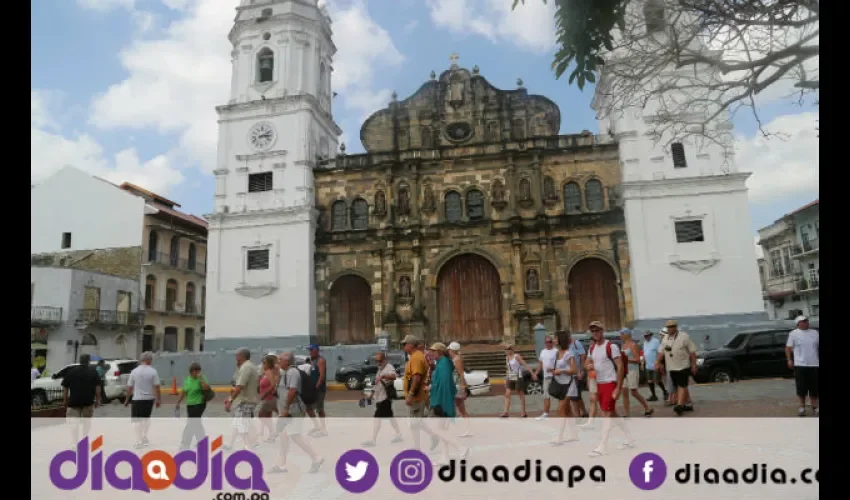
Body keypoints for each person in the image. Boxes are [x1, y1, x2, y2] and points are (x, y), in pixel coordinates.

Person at [269, 351, 324, 474]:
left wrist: (286, 409)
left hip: (293, 410)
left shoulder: (293, 372)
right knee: (283, 436)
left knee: (295, 436)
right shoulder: (285, 373)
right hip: (287, 410)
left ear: (287, 361)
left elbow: (293, 391)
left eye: (280, 360)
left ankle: (316, 458)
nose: (278, 362)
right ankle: (281, 465)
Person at [586, 321, 634, 457]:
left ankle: (602, 446)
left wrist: (618, 387)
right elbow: (587, 362)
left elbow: (620, 366)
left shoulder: (611, 346)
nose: (595, 333)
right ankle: (629, 438)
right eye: (593, 331)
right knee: (612, 413)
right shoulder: (592, 348)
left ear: (602, 331)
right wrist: (588, 366)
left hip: (610, 383)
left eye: (597, 330)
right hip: (600, 383)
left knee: (606, 415)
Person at [427, 342, 469, 465]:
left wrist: (439, 400)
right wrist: (431, 386)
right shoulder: (441, 363)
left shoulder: (444, 363)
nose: (431, 353)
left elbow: (445, 384)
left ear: (439, 352)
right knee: (442, 429)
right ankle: (444, 457)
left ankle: (461, 448)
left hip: (441, 400)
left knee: (436, 428)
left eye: (433, 351)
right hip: (441, 399)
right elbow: (440, 382)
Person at [361, 351, 404, 446]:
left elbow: (394, 376)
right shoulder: (380, 369)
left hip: (385, 398)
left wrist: (384, 376)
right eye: (376, 361)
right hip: (379, 398)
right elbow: (377, 384)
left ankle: (373, 440)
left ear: (385, 360)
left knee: (377, 418)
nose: (378, 363)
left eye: (380, 361)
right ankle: (399, 435)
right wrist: (370, 396)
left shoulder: (389, 367)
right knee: (390, 417)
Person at [657, 320, 697, 416]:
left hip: (683, 366)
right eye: (668, 327)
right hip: (671, 367)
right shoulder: (665, 338)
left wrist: (694, 365)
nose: (669, 329)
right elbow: (661, 352)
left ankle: (679, 405)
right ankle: (687, 403)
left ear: (675, 327)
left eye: (671, 327)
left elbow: (692, 352)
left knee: (682, 385)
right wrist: (657, 362)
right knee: (678, 387)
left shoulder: (684, 337)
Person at [62, 353, 101, 445]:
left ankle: (75, 441)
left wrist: (64, 400)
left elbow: (65, 387)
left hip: (73, 402)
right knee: (86, 423)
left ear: (80, 360)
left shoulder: (71, 372)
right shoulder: (93, 372)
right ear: (88, 361)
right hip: (88, 402)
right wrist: (98, 399)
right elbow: (98, 387)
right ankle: (84, 440)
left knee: (73, 424)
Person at [124, 351, 161, 449]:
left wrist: (127, 399)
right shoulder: (153, 371)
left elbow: (130, 387)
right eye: (151, 359)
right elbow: (157, 387)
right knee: (146, 419)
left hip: (137, 399)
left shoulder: (134, 371)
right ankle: (144, 436)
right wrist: (158, 399)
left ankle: (139, 440)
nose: (152, 361)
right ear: (148, 360)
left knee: (137, 421)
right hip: (149, 399)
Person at [225, 348, 260, 449]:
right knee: (237, 425)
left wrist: (230, 401)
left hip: (245, 402)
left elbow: (240, 386)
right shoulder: (249, 366)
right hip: (246, 400)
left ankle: (250, 449)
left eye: (237, 355)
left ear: (242, 356)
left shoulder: (246, 367)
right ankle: (231, 444)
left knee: (242, 428)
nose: (236, 358)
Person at [550, 330, 580, 446]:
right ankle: (574, 434)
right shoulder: (557, 353)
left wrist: (561, 370)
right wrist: (553, 371)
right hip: (560, 384)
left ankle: (560, 436)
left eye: (555, 338)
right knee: (567, 410)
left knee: (561, 409)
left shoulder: (569, 353)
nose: (554, 340)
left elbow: (574, 370)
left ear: (560, 339)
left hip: (569, 385)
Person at [786, 315, 819, 416]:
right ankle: (802, 407)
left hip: (814, 364)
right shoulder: (793, 334)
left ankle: (815, 407)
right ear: (798, 323)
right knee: (801, 387)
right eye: (804, 321)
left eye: (807, 321)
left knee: (815, 387)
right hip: (800, 365)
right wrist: (789, 360)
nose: (806, 322)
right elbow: (788, 348)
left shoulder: (815, 333)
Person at [175, 362, 211, 450]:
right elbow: (183, 392)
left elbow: (206, 388)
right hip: (190, 405)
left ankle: (185, 443)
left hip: (199, 404)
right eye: (197, 370)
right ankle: (202, 442)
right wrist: (178, 402)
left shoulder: (201, 379)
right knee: (196, 423)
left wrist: (201, 379)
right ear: (192, 371)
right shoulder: (187, 380)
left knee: (191, 424)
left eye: (199, 370)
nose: (198, 372)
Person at [619, 329, 653, 417]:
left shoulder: (633, 345)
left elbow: (638, 359)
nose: (620, 335)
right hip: (624, 371)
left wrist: (627, 360)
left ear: (627, 335)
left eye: (622, 334)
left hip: (632, 370)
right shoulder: (623, 345)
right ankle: (627, 413)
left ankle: (647, 407)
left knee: (634, 392)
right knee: (624, 392)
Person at [501, 344, 535, 418]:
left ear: (512, 349)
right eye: (506, 349)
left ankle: (523, 412)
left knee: (520, 394)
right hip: (510, 376)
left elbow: (525, 365)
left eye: (509, 349)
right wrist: (506, 378)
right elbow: (507, 369)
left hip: (518, 376)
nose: (508, 350)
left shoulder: (517, 356)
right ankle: (506, 412)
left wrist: (532, 373)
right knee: (507, 393)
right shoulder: (507, 358)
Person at [447, 341, 473, 437]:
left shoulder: (457, 359)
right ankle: (464, 428)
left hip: (457, 386)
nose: (448, 351)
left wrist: (464, 387)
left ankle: (466, 429)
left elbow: (461, 374)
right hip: (455, 385)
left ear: (452, 350)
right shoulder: (454, 358)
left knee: (459, 408)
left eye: (449, 349)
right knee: (458, 408)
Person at [305, 344, 328, 437]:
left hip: (319, 389)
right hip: (311, 388)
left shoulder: (321, 360)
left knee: (319, 409)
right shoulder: (311, 360)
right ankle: (316, 426)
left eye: (311, 350)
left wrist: (316, 388)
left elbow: (321, 376)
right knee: (308, 408)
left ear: (317, 351)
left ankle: (323, 429)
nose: (310, 352)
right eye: (309, 350)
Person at [534, 335, 558, 420]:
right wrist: (536, 373)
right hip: (546, 377)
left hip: (555, 377)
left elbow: (560, 364)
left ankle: (564, 412)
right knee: (546, 395)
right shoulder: (542, 352)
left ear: (553, 342)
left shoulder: (556, 351)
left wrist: (553, 369)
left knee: (559, 395)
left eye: (550, 342)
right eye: (547, 342)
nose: (548, 344)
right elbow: (540, 363)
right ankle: (545, 413)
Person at [258, 355, 280, 442]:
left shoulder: (269, 372)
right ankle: (272, 435)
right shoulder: (270, 371)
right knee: (267, 416)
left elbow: (273, 385)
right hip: (269, 398)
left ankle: (274, 433)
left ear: (269, 363)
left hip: (269, 399)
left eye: (265, 363)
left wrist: (264, 394)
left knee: (261, 415)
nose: (263, 365)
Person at [641, 330, 666, 402]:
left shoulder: (656, 341)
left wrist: (659, 363)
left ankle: (665, 392)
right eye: (645, 336)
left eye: (647, 335)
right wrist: (642, 363)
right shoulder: (645, 343)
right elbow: (644, 354)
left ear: (650, 335)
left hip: (655, 364)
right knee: (649, 381)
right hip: (648, 365)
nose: (646, 337)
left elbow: (660, 352)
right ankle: (654, 395)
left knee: (657, 380)